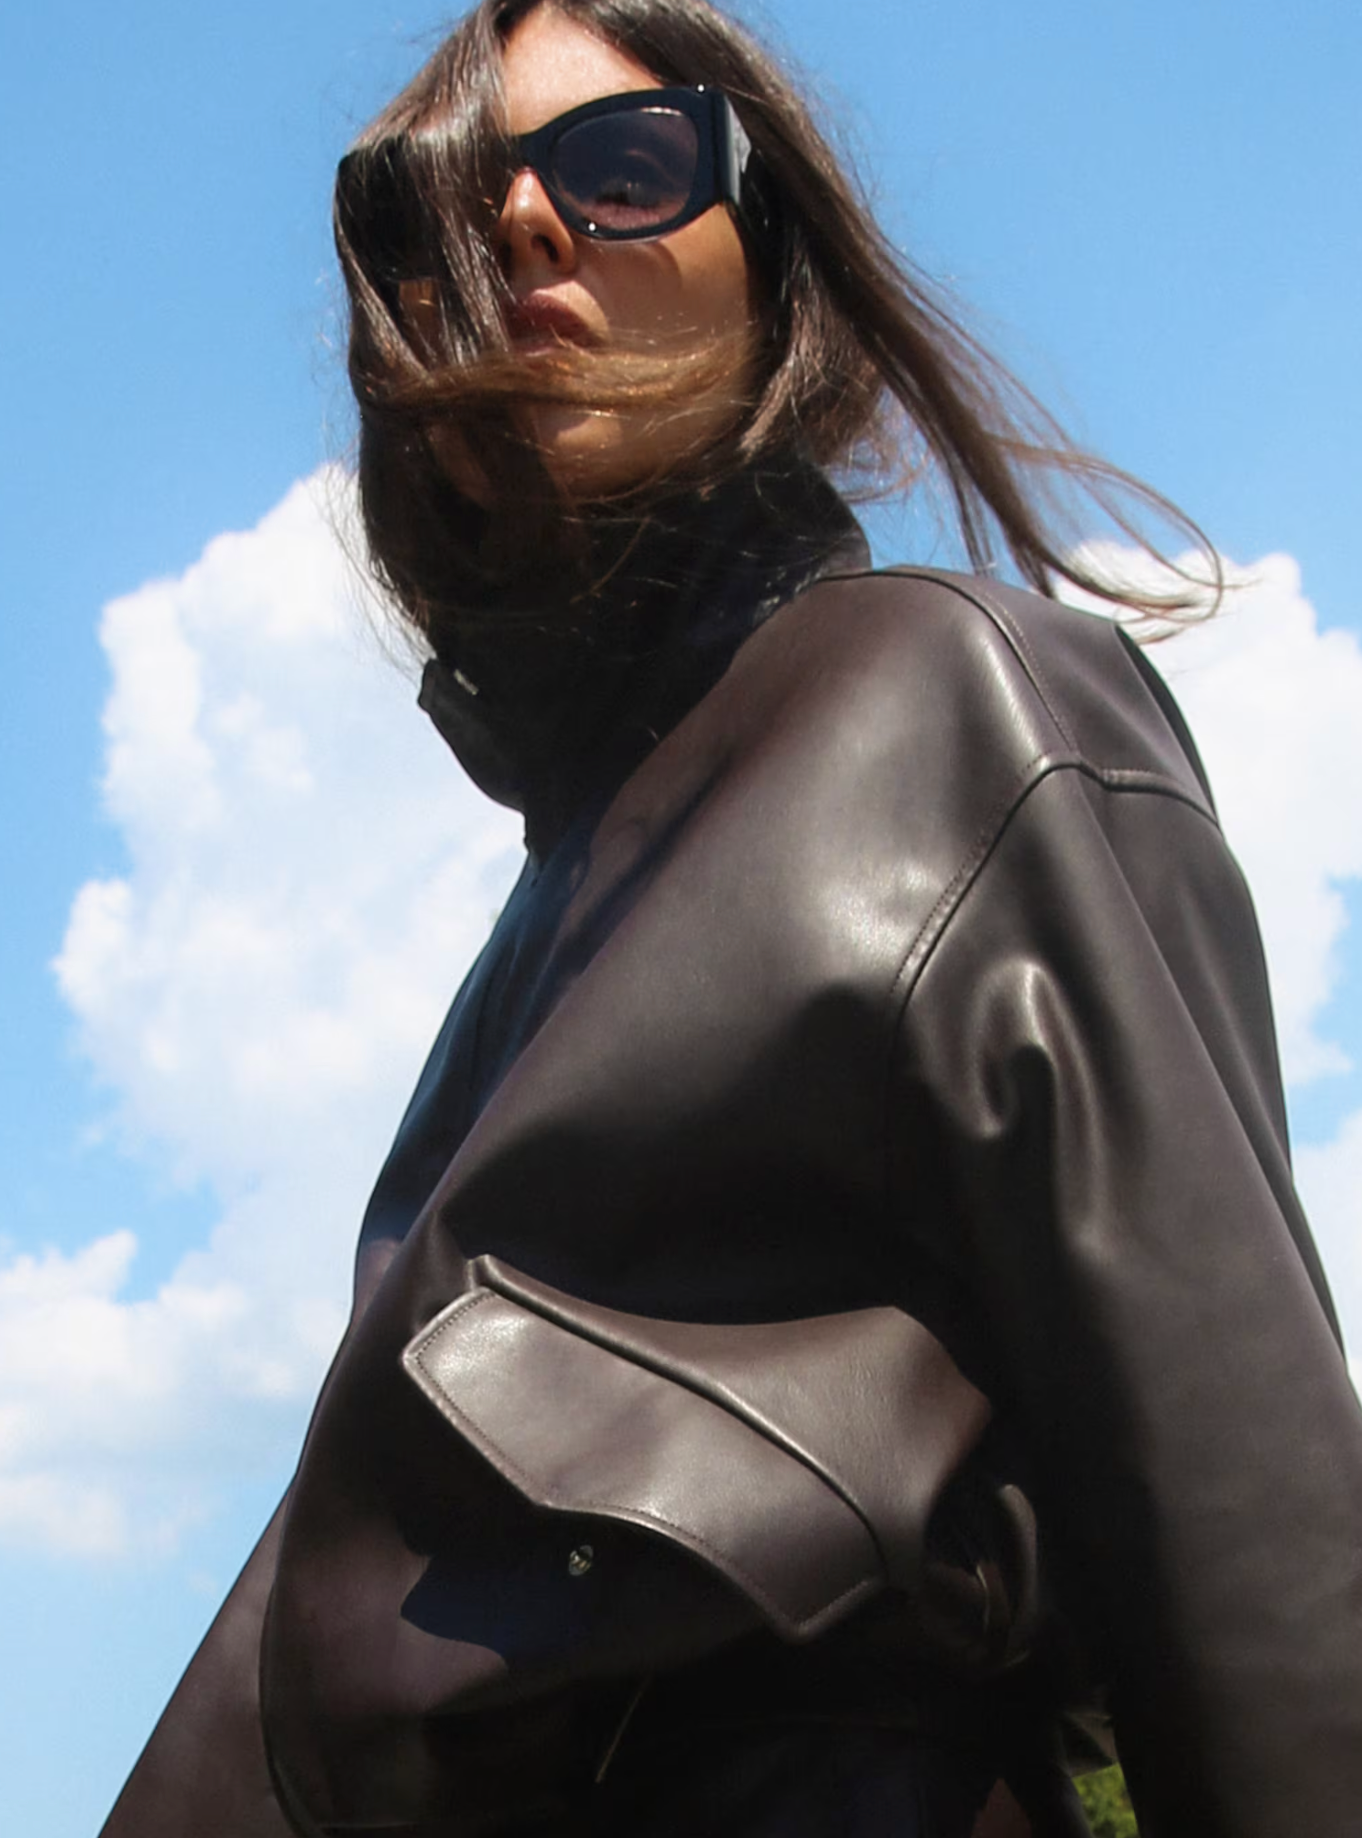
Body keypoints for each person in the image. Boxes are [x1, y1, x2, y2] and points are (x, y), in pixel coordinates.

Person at [99, 2, 1362, 1835]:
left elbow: (1261, 1555)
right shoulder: (537, 927)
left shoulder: (952, 709)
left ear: (774, 267)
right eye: (429, 203)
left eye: (624, 165)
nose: (521, 223)